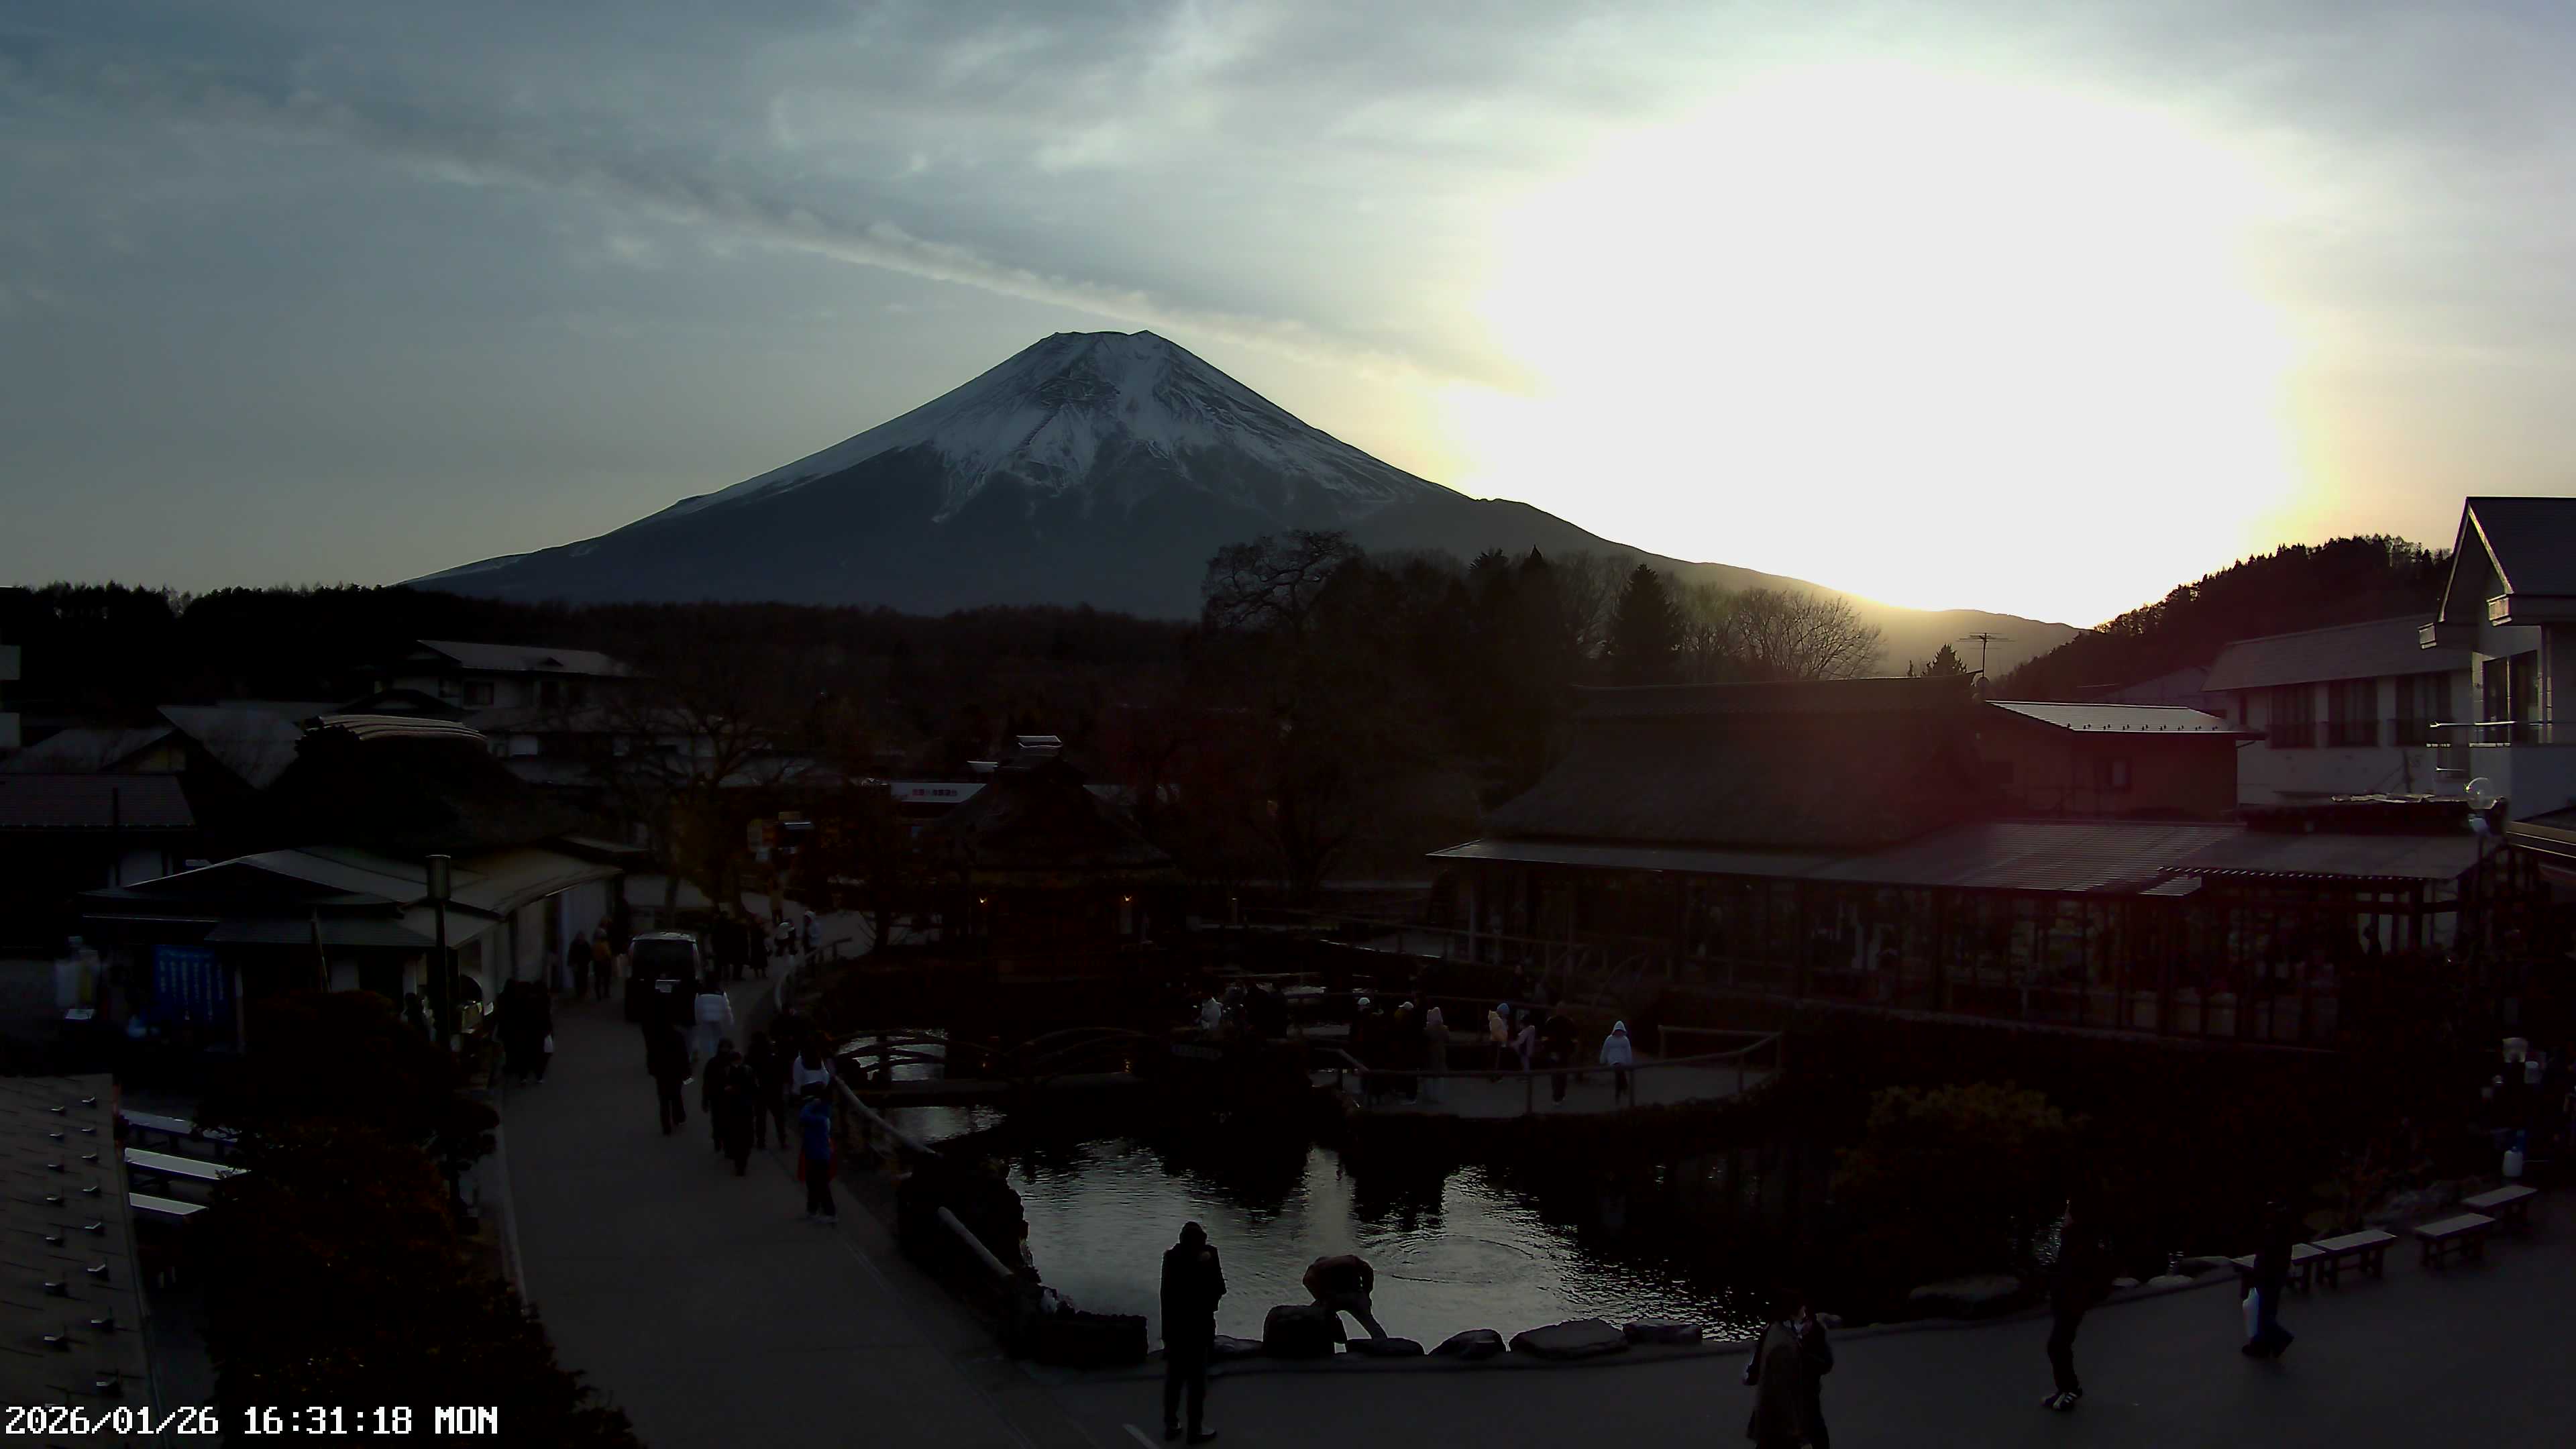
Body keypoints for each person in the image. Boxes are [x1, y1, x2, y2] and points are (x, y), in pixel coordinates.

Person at [1160, 1222, 1226, 1444]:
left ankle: (1171, 1423)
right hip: (1198, 1327)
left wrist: (1166, 1335)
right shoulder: (1207, 1257)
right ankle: (1194, 1428)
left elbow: (1166, 1297)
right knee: (1197, 1381)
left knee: (1175, 1378)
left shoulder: (1171, 1258)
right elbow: (1218, 1290)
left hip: (1177, 1329)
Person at [2045, 1201, 2112, 1411]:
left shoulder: (2079, 1239)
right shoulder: (2070, 1237)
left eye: (2067, 1213)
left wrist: (2077, 1296)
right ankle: (2065, 1389)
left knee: (2058, 1345)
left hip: (2072, 1302)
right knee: (2058, 1345)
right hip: (2066, 1300)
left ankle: (2070, 1389)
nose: (2064, 1216)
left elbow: (2079, 1272)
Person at [1743, 1310, 1819, 1449]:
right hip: (1785, 1409)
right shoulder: (1788, 1339)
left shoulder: (1772, 1333)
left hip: (1775, 1407)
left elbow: (1752, 1373)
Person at [2245, 1199, 2299, 1359]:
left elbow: (2265, 1255)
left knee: (2261, 1312)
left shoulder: (2273, 1231)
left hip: (2268, 1273)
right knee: (2269, 1309)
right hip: (2278, 1273)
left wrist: (2258, 1272)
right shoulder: (2285, 1229)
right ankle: (2263, 1346)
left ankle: (2279, 1339)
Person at [1301, 1254, 1385, 1342]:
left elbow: (1307, 1280)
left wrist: (1321, 1298)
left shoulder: (1316, 1267)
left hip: (1333, 1298)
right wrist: (1366, 1293)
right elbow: (1368, 1270)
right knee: (1370, 1323)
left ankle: (1317, 1342)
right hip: (1356, 1295)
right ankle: (1383, 1343)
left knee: (1314, 1314)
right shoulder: (1351, 1259)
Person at [797, 1084, 837, 1224]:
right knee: (812, 1184)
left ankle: (830, 1213)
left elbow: (803, 1116)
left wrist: (811, 1104)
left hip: (819, 1155)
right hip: (814, 1153)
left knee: (821, 1185)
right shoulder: (822, 1116)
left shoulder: (821, 1119)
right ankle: (812, 1210)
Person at [646, 1016, 691, 1134]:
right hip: (676, 1072)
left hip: (662, 1073)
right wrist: (687, 1071)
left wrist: (652, 1069)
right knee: (676, 1095)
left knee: (664, 1100)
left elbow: (651, 1055)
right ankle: (678, 1117)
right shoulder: (678, 1036)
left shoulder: (654, 1038)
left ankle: (666, 1125)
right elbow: (684, 1055)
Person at [715, 1053, 759, 1175]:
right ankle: (741, 1162)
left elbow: (718, 1090)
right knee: (744, 1136)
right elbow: (755, 1089)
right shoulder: (748, 1071)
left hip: (732, 1109)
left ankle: (738, 1161)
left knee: (736, 1136)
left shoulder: (725, 1072)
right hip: (744, 1108)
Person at [746, 1030, 787, 1149]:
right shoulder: (772, 1051)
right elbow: (782, 1067)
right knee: (779, 1116)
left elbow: (748, 1071)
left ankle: (761, 1142)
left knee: (760, 1117)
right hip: (775, 1088)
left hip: (760, 1089)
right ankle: (782, 1140)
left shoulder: (752, 1053)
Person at [702, 1038, 740, 1152]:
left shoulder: (713, 1062)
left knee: (723, 1121)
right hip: (720, 1097)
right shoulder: (719, 1063)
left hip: (724, 1097)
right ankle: (721, 1140)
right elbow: (707, 1082)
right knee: (721, 1121)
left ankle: (722, 1140)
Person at [692, 977, 735, 1065]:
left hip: (706, 1019)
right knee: (718, 1038)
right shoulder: (721, 994)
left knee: (708, 1039)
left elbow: (697, 1008)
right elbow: (726, 1009)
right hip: (718, 1019)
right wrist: (730, 1020)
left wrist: (697, 1019)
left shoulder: (700, 994)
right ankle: (718, 1056)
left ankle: (711, 1058)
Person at [1542, 1008, 1577, 1104]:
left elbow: (1545, 1037)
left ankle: (1557, 1096)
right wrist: (1572, 1050)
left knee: (1556, 1074)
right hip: (1564, 1052)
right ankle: (1560, 1095)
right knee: (1562, 1074)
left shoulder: (1551, 1021)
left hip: (1556, 1052)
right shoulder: (1570, 1022)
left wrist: (1547, 1049)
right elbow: (1574, 1039)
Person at [1600, 1020, 1635, 1106]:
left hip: (1622, 1060)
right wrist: (1603, 1060)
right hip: (1612, 1059)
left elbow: (1628, 1052)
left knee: (1619, 1074)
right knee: (1619, 1072)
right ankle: (1624, 1087)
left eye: (1620, 1031)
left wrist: (1629, 1063)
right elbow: (1605, 1050)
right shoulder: (1609, 1039)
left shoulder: (1625, 1040)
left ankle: (1618, 1093)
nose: (1619, 1033)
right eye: (1618, 1031)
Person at [788, 1035, 835, 1101]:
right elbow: (826, 1077)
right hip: (822, 1094)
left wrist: (795, 1095)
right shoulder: (818, 1058)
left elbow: (797, 1082)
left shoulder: (799, 1060)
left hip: (809, 1096)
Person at [1421, 1003, 1447, 1104]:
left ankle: (1429, 1096)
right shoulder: (1444, 1029)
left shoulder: (1427, 1030)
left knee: (1428, 1076)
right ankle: (1438, 1097)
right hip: (1440, 1053)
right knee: (1439, 1077)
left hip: (1430, 1054)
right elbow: (1448, 1039)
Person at [1487, 1002, 1512, 1076]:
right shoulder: (1498, 1020)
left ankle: (1495, 1074)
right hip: (1497, 1041)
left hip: (1498, 1042)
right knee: (1495, 1058)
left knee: (1496, 1059)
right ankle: (1494, 1074)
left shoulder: (1501, 1020)